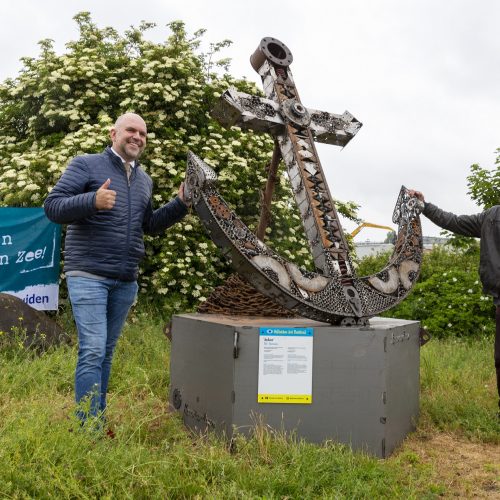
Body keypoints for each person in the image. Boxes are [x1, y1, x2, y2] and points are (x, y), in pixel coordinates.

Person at [44, 113, 188, 428]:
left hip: (125, 280)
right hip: (89, 274)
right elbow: (53, 206)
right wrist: (91, 201)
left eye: (143, 134)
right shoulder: (86, 164)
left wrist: (179, 203)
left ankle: (97, 417)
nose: (137, 137)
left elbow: (149, 225)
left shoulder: (144, 180)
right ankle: (87, 428)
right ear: (114, 134)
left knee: (105, 353)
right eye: (131, 131)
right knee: (93, 350)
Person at [408, 189, 500, 415]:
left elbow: (454, 222)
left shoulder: (492, 216)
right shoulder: (491, 216)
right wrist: (426, 206)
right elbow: (455, 222)